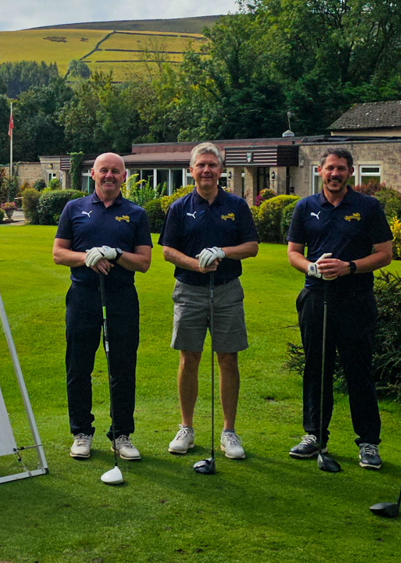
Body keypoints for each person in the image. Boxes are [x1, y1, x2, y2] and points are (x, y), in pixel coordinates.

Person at [284, 147, 394, 469]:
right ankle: (314, 435)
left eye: (341, 169)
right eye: (330, 168)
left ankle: (368, 442)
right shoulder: (305, 207)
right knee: (316, 368)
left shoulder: (368, 207)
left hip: (356, 298)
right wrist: (311, 268)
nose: (335, 174)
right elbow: (293, 252)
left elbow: (385, 253)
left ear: (350, 172)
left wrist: (349, 267)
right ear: (320, 171)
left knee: (359, 370)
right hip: (316, 296)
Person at [159, 143, 259, 459]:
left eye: (212, 165)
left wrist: (223, 252)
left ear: (221, 170)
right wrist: (195, 264)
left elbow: (252, 246)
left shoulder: (236, 205)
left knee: (228, 358)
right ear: (191, 170)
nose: (206, 170)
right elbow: (167, 250)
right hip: (189, 289)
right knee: (189, 357)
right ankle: (186, 428)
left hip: (227, 289)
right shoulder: (179, 207)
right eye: (201, 165)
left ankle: (229, 431)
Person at [52, 152, 153, 460]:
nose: (109, 175)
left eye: (115, 171)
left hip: (121, 297)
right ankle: (81, 432)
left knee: (122, 367)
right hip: (83, 296)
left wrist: (115, 254)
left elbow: (144, 262)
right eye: (104, 170)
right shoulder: (74, 208)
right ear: (93, 174)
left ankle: (121, 434)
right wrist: (87, 257)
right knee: (78, 365)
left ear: (124, 177)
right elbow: (58, 253)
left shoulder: (136, 213)